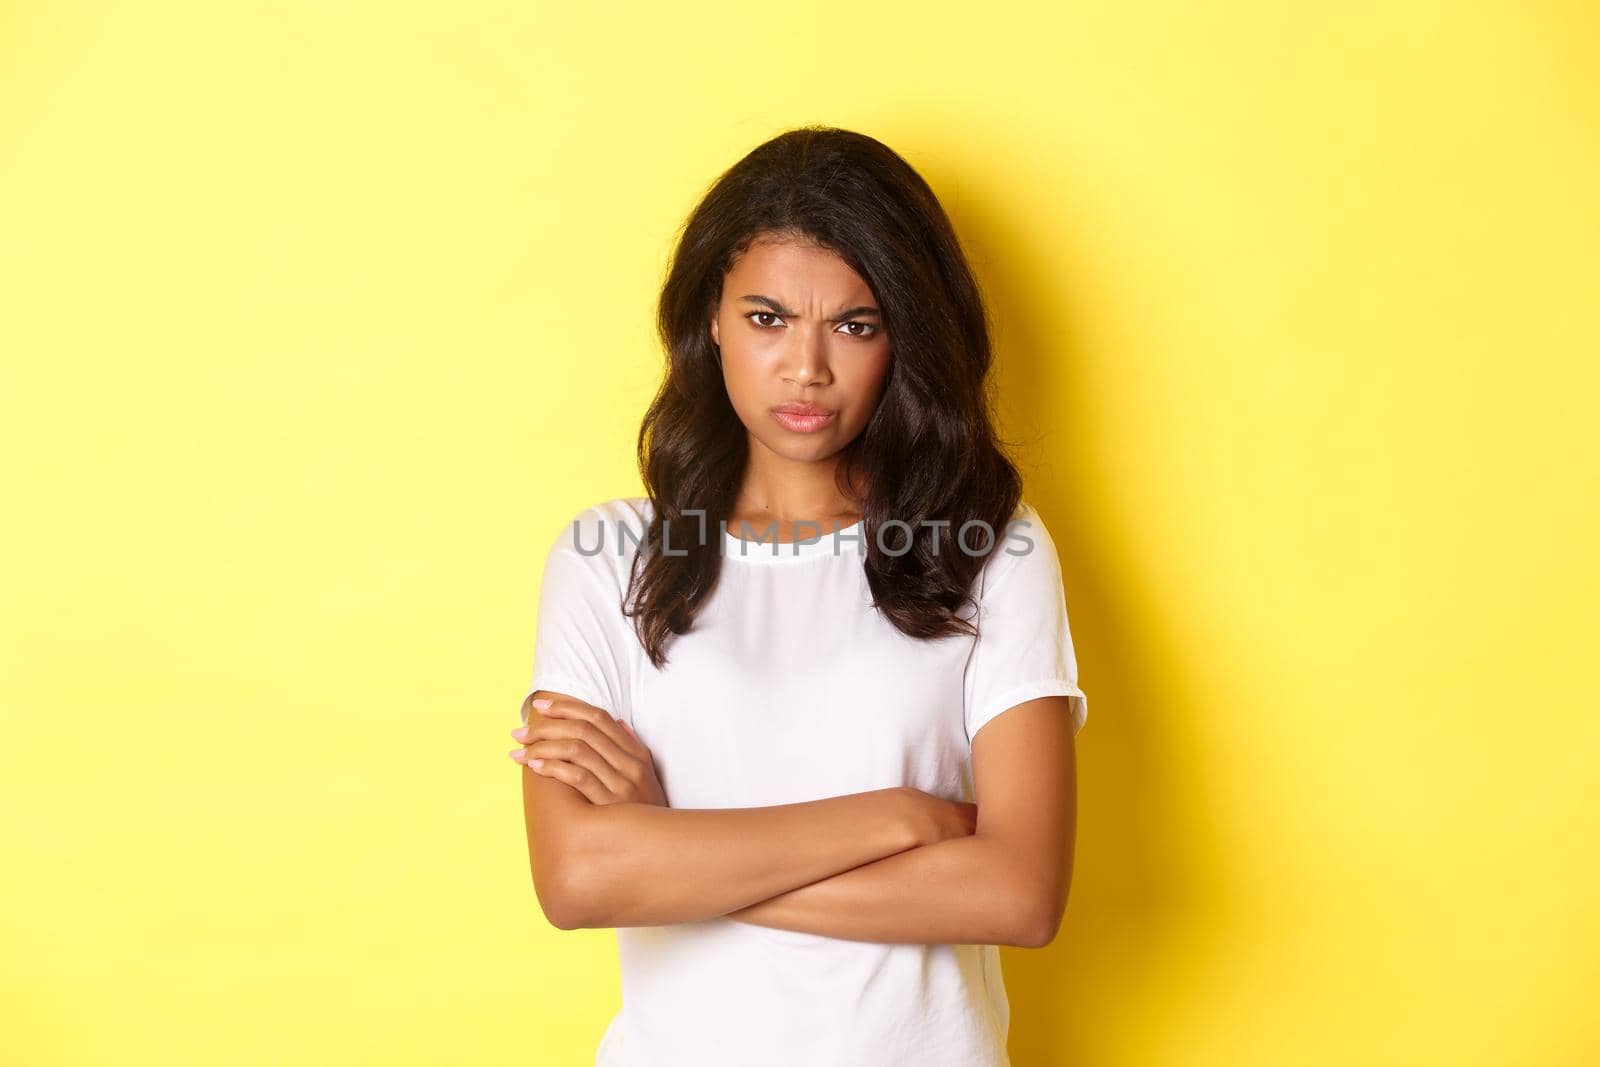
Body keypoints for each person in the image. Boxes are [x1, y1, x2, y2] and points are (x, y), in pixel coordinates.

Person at [508, 125, 1088, 1067]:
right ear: (711, 319)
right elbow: (576, 878)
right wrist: (896, 818)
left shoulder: (991, 548)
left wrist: (669, 854)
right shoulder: (607, 557)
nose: (806, 367)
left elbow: (1018, 894)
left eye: (854, 324)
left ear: (904, 337)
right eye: (767, 318)